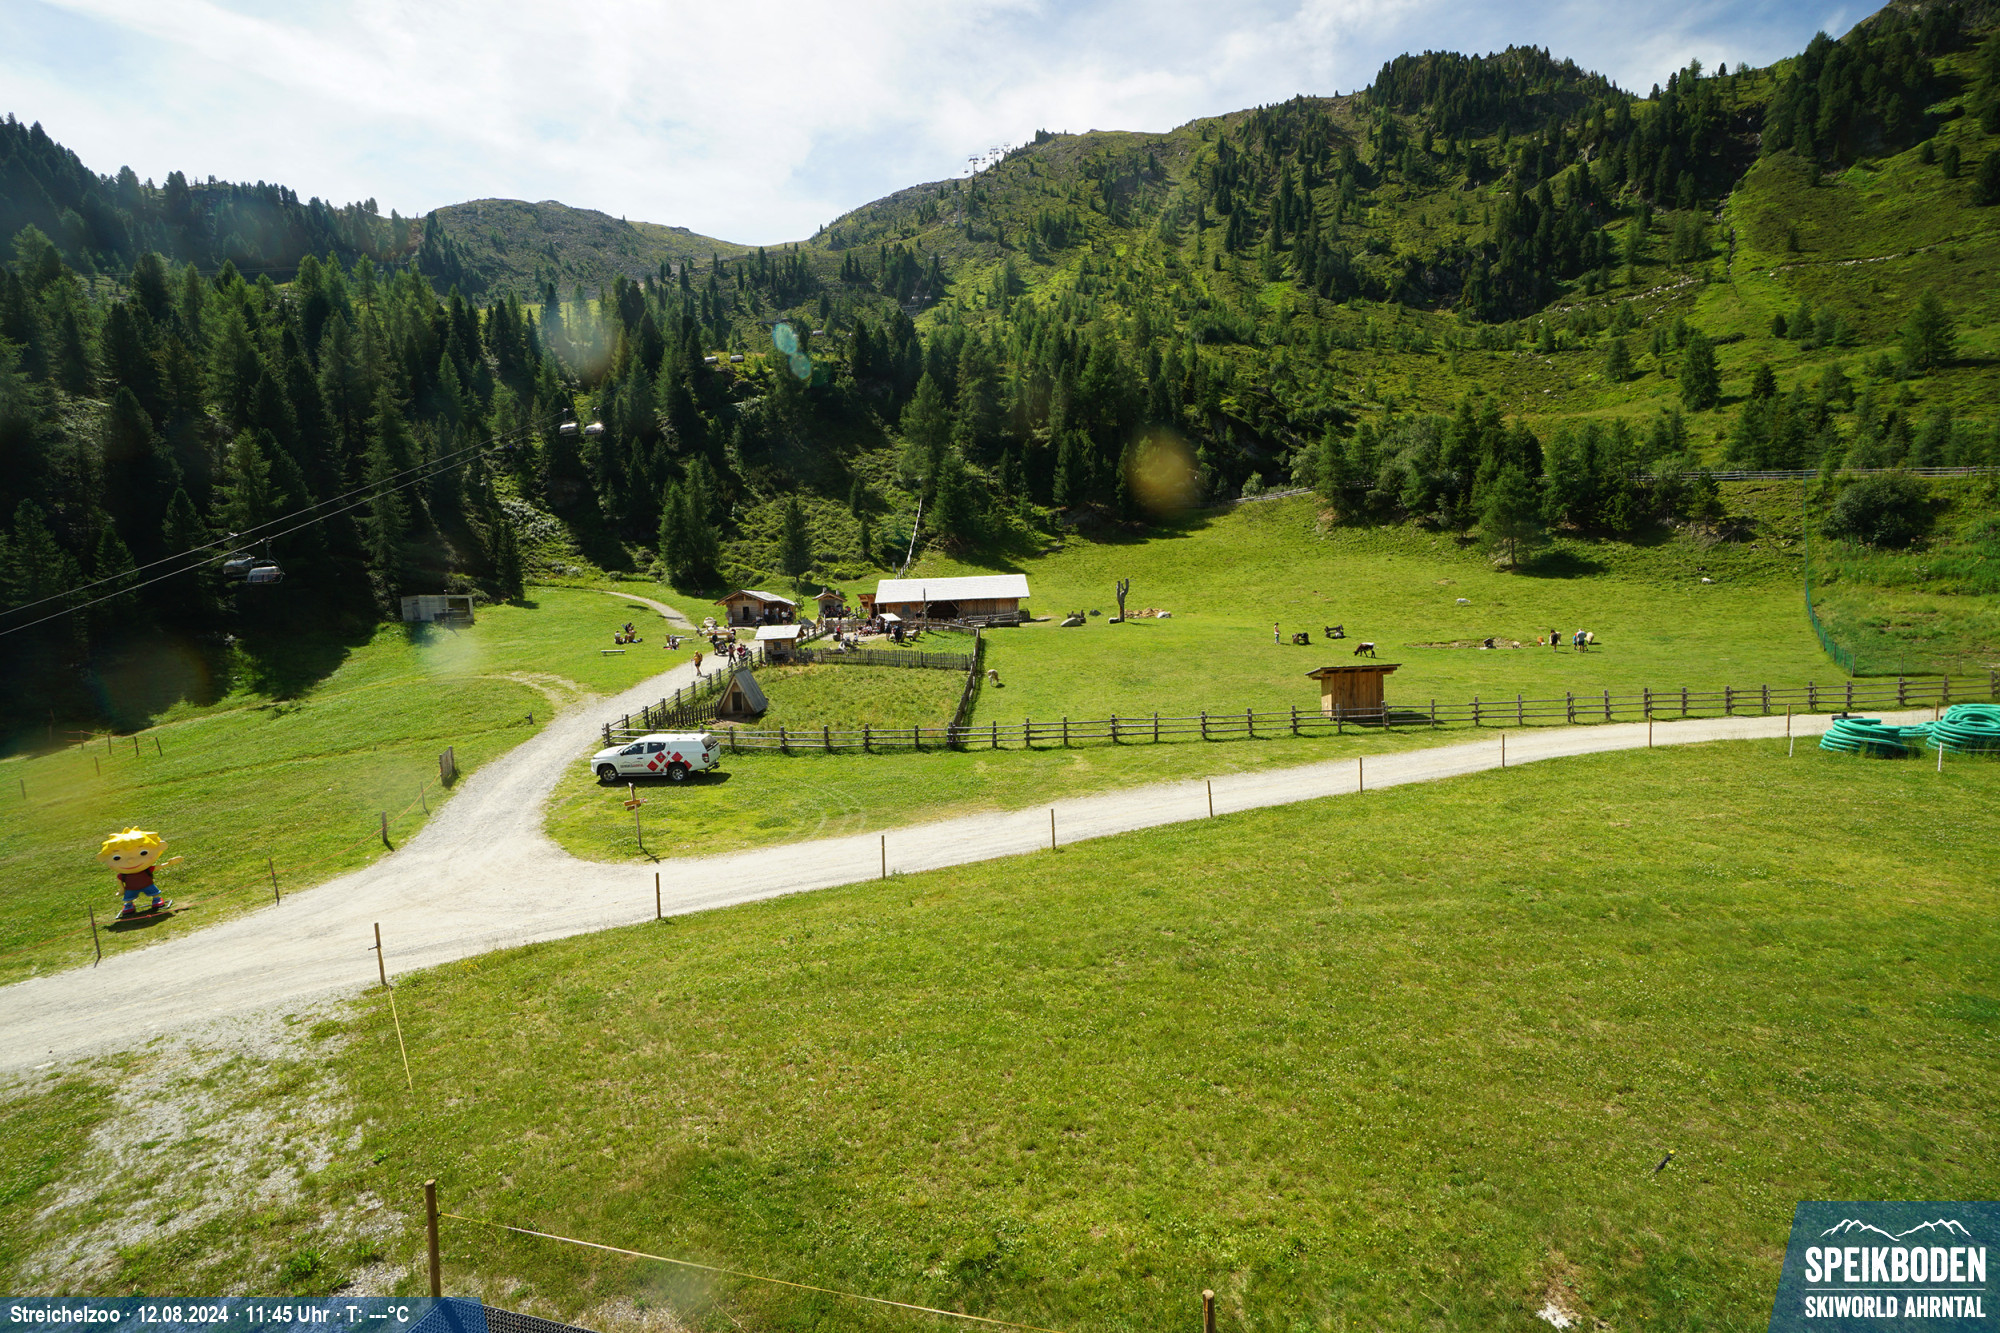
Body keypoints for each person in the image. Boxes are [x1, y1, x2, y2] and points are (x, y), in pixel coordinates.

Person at [99, 827, 173, 918]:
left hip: (147, 885)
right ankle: (128, 905)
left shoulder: (146, 870)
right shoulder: (122, 875)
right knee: (128, 897)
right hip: (131, 888)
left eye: (143, 853)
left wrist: (169, 863)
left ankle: (157, 899)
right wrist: (121, 890)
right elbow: (120, 883)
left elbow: (158, 867)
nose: (130, 861)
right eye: (117, 858)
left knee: (153, 892)